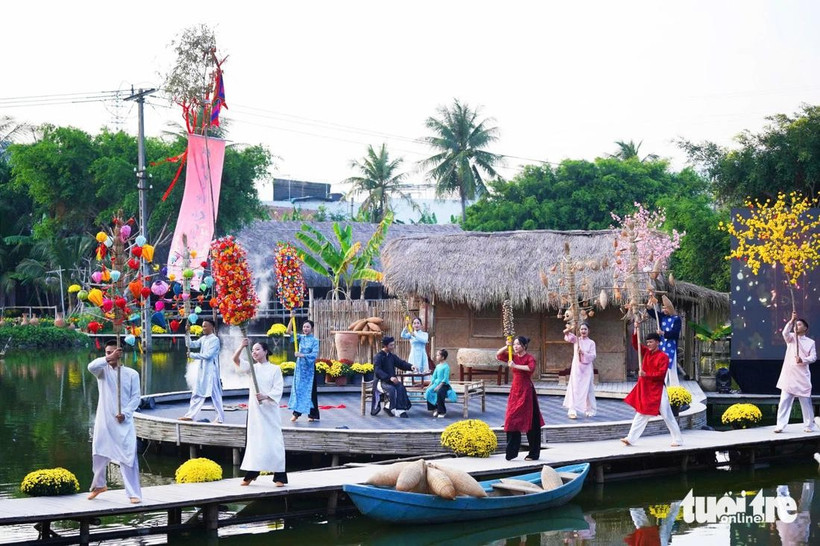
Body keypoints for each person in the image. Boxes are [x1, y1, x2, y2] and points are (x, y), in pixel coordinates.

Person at [87, 340, 142, 503]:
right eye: (106, 352)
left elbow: (136, 397)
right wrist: (108, 358)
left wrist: (125, 413)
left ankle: (133, 493)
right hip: (104, 419)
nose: (109, 355)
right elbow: (91, 366)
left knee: (128, 455)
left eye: (112, 352)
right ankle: (99, 485)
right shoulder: (101, 371)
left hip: (122, 421)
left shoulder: (132, 374)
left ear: (120, 353)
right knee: (98, 452)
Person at [232, 338, 287, 487]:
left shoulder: (275, 369)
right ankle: (252, 472)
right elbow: (235, 360)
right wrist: (242, 346)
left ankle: (279, 475)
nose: (254, 352)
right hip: (256, 411)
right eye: (252, 350)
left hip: (270, 409)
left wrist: (266, 396)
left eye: (257, 349)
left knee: (274, 441)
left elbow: (278, 389)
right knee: (256, 440)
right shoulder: (252, 367)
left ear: (265, 351)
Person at [621, 320, 683, 447]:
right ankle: (631, 438)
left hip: (659, 389)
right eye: (647, 342)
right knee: (641, 413)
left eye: (651, 342)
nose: (648, 344)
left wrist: (646, 374)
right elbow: (635, 344)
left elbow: (661, 375)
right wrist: (635, 329)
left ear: (658, 343)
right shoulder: (646, 352)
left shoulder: (663, 357)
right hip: (647, 389)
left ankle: (678, 439)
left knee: (667, 415)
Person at [497, 336, 544, 461]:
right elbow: (498, 355)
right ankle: (511, 452)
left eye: (518, 344)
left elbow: (531, 368)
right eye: (515, 344)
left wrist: (515, 365)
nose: (515, 346)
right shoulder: (512, 355)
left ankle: (534, 453)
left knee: (531, 421)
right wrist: (507, 346)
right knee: (511, 418)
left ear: (524, 346)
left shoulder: (529, 358)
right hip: (515, 391)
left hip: (526, 391)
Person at [774, 313, 817, 433]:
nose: (796, 327)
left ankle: (809, 425)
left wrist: (803, 360)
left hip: (802, 376)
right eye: (795, 325)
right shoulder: (791, 338)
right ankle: (780, 425)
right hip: (789, 375)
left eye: (799, 324)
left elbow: (813, 357)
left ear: (805, 328)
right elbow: (785, 333)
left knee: (806, 403)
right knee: (784, 401)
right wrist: (792, 320)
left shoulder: (810, 342)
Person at [180, 319, 224, 423]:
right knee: (197, 392)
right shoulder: (203, 338)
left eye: (205, 326)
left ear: (212, 327)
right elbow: (190, 345)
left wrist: (193, 355)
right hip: (203, 370)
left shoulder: (215, 340)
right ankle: (190, 415)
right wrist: (187, 333)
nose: (203, 328)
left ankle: (220, 418)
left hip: (211, 371)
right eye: (203, 326)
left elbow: (208, 355)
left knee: (215, 395)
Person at [371, 336, 416, 417]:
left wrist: (411, 366)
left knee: (401, 387)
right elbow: (377, 371)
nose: (393, 346)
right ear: (385, 346)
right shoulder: (378, 357)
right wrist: (389, 377)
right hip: (381, 381)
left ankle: (398, 409)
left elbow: (401, 363)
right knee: (392, 389)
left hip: (391, 381)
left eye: (393, 345)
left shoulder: (392, 356)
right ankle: (392, 408)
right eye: (391, 345)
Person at [562, 322, 597, 419]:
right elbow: (566, 334)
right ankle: (572, 409)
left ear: (588, 331)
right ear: (579, 331)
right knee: (574, 387)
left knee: (588, 388)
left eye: (585, 329)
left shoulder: (591, 343)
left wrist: (583, 353)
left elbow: (593, 356)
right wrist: (573, 326)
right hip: (577, 367)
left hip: (587, 368)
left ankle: (590, 409)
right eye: (581, 329)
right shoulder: (576, 339)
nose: (583, 331)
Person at [287, 319, 320, 422]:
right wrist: (291, 318)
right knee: (299, 390)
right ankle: (296, 414)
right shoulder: (300, 338)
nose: (305, 329)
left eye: (308, 327)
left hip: (309, 368)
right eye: (304, 327)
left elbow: (314, 355)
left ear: (312, 328)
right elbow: (288, 332)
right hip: (300, 368)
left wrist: (301, 355)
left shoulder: (315, 341)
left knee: (310, 391)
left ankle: (312, 414)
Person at [647, 295, 682, 387]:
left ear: (670, 309)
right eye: (662, 308)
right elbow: (654, 314)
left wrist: (663, 333)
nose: (663, 310)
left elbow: (675, 334)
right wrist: (649, 308)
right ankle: (661, 384)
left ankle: (674, 386)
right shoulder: (662, 317)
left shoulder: (677, 319)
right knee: (661, 364)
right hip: (662, 345)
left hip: (671, 346)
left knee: (671, 366)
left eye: (665, 308)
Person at [424, 348, 457, 418]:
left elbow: (445, 379)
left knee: (440, 392)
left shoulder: (446, 367)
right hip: (436, 383)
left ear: (443, 357)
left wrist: (438, 387)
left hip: (444, 384)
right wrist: (429, 386)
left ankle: (442, 411)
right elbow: (434, 377)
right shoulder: (438, 366)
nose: (436, 357)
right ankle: (434, 408)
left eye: (438, 355)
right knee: (428, 391)